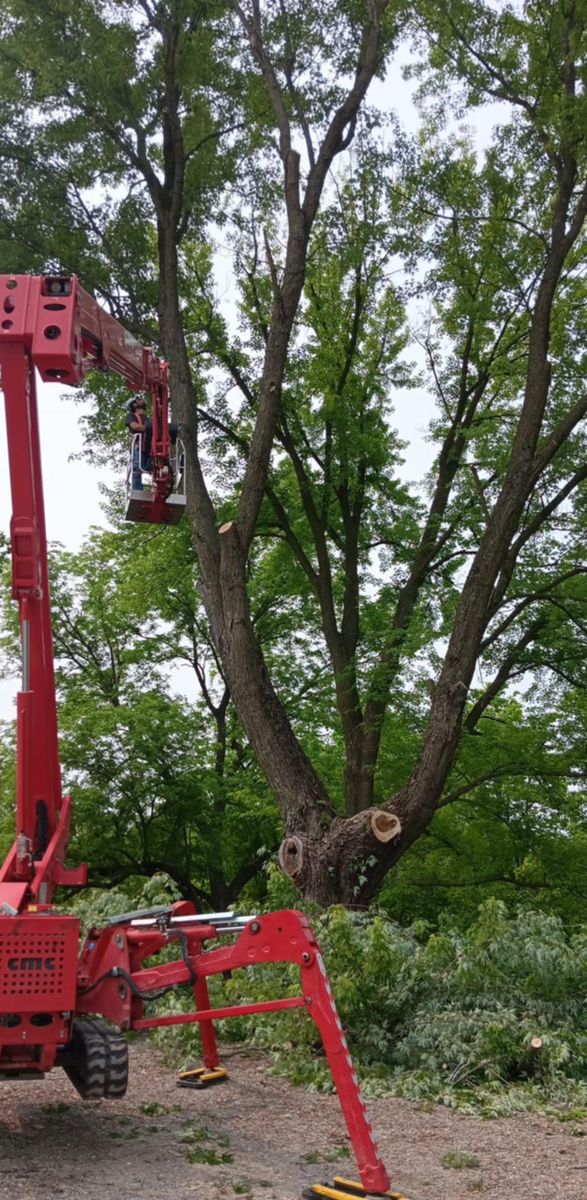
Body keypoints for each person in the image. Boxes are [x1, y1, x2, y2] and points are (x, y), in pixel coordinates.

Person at [125, 398, 152, 491]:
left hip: (151, 448)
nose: (140, 400)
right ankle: (137, 491)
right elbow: (135, 426)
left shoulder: (149, 419)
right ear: (133, 405)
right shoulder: (131, 416)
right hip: (139, 447)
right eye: (137, 400)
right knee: (137, 469)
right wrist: (149, 428)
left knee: (156, 469)